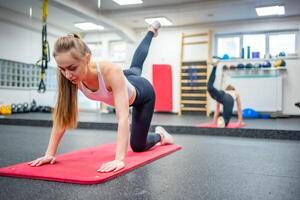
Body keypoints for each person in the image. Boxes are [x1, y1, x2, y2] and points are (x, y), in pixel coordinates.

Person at [29, 21, 174, 173]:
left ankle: (160, 135)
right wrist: (49, 154)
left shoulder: (109, 70)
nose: (67, 74)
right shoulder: (70, 77)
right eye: (62, 69)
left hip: (142, 94)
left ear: (87, 58)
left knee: (138, 146)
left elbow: (123, 117)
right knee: (134, 68)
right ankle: (151, 31)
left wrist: (119, 159)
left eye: (72, 68)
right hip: (123, 80)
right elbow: (62, 116)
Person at [208, 59, 243, 127]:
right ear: (233, 89)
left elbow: (217, 108)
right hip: (229, 100)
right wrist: (240, 122)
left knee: (210, 87)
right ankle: (223, 121)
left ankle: (214, 67)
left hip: (221, 94)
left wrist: (214, 122)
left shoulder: (225, 91)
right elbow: (239, 108)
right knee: (225, 122)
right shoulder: (236, 93)